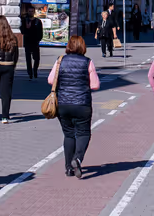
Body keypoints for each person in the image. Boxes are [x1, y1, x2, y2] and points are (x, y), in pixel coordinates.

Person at [48, 36, 101, 178]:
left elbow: (50, 80)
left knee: (69, 134)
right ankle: (77, 159)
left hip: (63, 104)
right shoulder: (87, 62)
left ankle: (68, 168)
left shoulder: (60, 61)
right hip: (82, 104)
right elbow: (95, 85)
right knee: (83, 133)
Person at [21, 10, 44, 80]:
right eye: (29, 11)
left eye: (31, 11)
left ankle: (35, 70)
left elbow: (40, 31)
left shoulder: (38, 21)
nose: (30, 12)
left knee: (36, 58)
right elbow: (22, 31)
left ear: (34, 12)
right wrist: (26, 28)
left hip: (35, 42)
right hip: (27, 42)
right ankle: (30, 72)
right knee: (28, 59)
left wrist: (38, 39)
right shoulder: (25, 21)